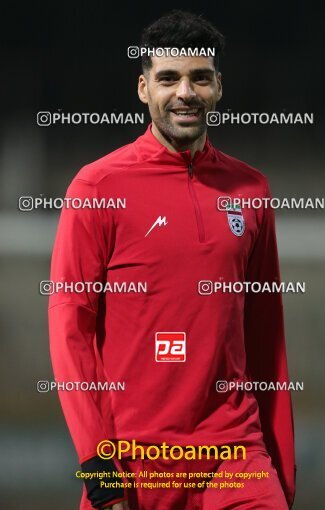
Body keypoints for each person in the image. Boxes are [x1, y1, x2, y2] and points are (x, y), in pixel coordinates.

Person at [48, 9, 296, 510]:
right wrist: (97, 460)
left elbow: (266, 333)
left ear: (218, 88)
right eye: (168, 79)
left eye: (199, 78)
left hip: (235, 455)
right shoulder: (97, 187)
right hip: (134, 460)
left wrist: (282, 472)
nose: (185, 92)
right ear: (144, 90)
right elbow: (69, 324)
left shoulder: (251, 189)